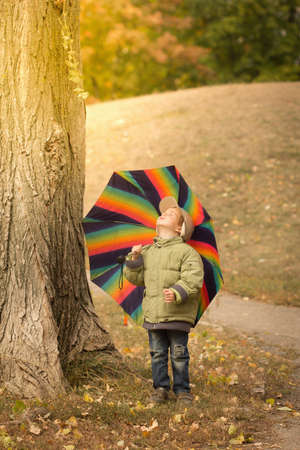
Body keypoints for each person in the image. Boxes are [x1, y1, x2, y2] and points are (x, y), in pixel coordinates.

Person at [124, 196, 204, 406]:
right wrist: (135, 259)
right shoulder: (148, 251)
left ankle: (182, 390)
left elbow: (193, 279)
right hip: (154, 313)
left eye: (172, 215)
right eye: (163, 213)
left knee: (179, 354)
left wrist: (178, 292)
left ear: (180, 229)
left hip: (178, 314)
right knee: (157, 354)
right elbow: (136, 279)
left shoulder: (187, 253)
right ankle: (160, 388)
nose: (164, 214)